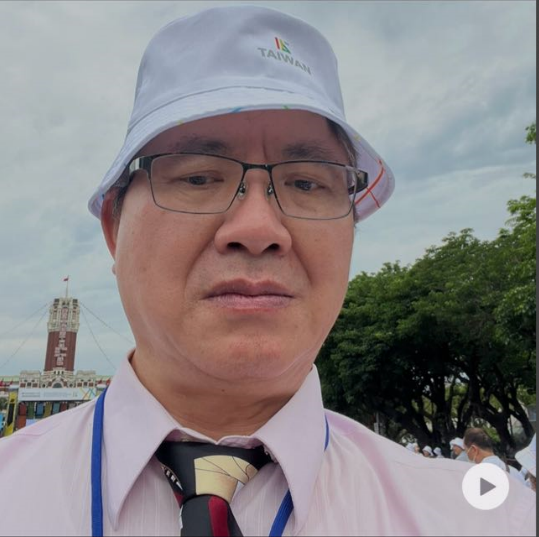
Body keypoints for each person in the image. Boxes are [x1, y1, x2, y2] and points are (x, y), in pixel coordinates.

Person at [0, 5, 535, 536]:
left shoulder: (486, 520)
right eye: (198, 177)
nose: (258, 228)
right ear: (115, 227)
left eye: (306, 183)